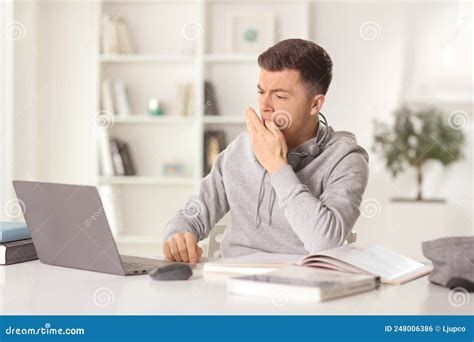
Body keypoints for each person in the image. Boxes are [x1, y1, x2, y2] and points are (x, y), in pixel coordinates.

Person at [162, 38, 369, 264]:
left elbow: (325, 242)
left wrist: (277, 166)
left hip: (303, 284)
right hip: (233, 281)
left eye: (280, 96)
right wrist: (178, 233)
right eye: (261, 92)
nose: (264, 105)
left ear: (315, 105)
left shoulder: (346, 158)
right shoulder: (240, 149)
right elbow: (193, 215)